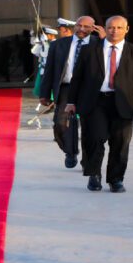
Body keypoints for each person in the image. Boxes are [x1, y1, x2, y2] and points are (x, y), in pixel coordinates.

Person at [65, 15, 133, 193]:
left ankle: (116, 179)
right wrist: (71, 101)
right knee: (94, 138)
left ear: (126, 30)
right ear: (104, 29)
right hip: (95, 102)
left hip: (125, 103)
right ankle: (94, 174)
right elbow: (77, 78)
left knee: (120, 142)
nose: (114, 31)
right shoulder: (89, 50)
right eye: (110, 27)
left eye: (119, 28)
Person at [39, 16, 103, 168]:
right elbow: (49, 70)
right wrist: (45, 93)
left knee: (90, 126)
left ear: (93, 28)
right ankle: (70, 151)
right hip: (67, 88)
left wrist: (103, 39)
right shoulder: (58, 44)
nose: (82, 29)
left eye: (86, 26)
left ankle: (88, 160)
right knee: (61, 124)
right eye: (79, 25)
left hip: (90, 90)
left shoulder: (99, 43)